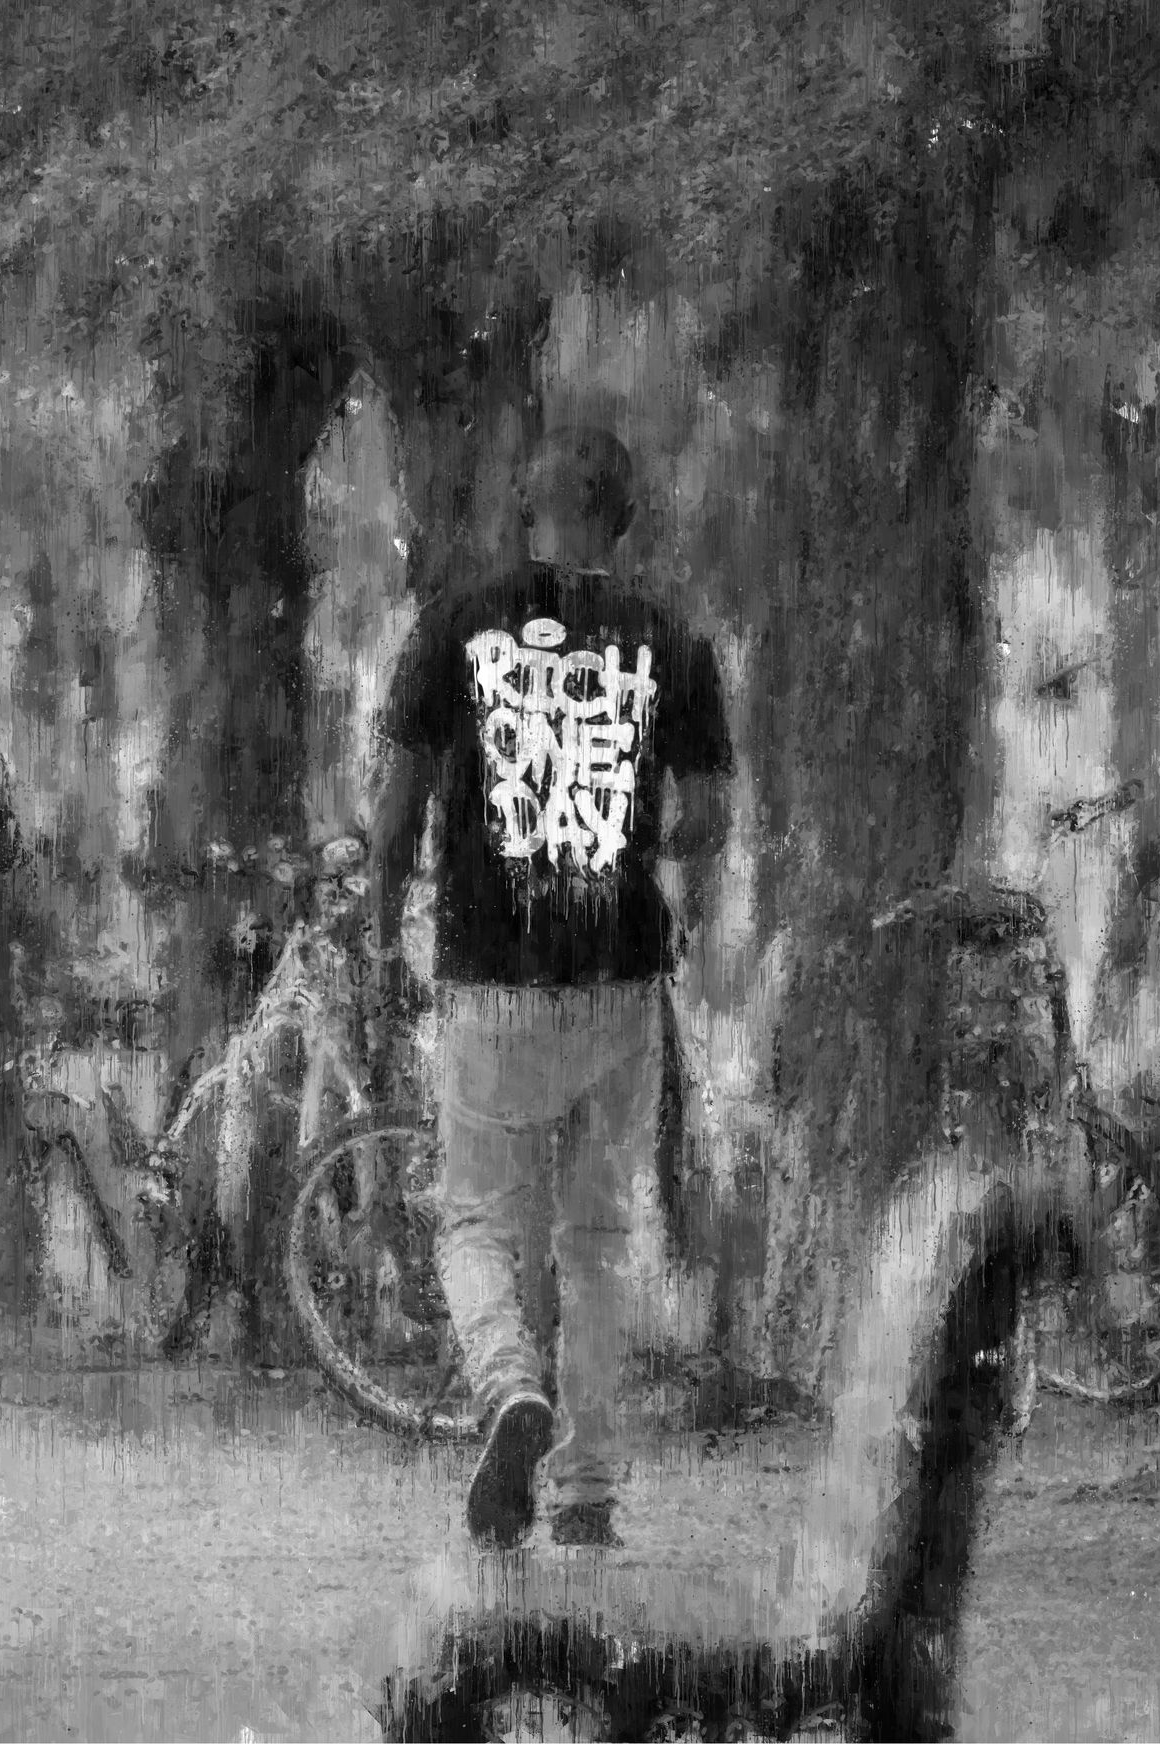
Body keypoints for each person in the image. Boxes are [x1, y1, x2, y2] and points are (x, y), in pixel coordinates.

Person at [369, 424, 734, 1549]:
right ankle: (585, 1491)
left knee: (477, 1220)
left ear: (526, 512)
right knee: (593, 1239)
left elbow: (392, 817)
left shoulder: (455, 625)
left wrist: (387, 935)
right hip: (618, 979)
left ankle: (507, 1385)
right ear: (622, 523)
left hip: (489, 977)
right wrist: (647, 859)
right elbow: (707, 818)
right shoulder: (671, 641)